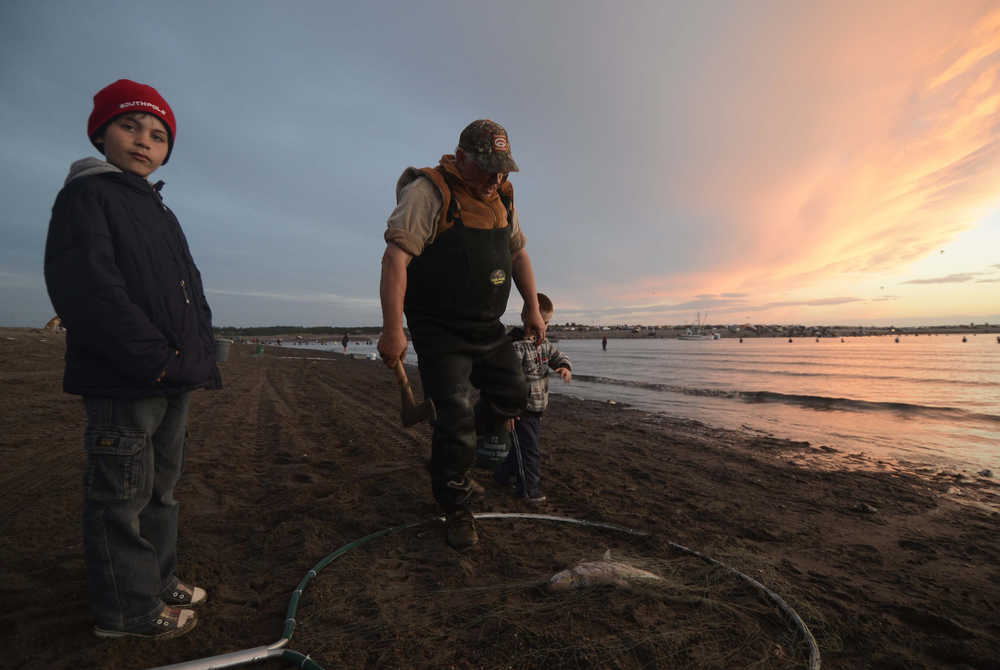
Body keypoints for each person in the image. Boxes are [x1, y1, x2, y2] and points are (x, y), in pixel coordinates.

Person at [43, 79, 220, 640]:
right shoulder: (87, 195)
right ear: (101, 132)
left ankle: (157, 578)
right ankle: (126, 610)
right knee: (120, 495)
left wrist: (200, 354)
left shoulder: (156, 205)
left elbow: (188, 289)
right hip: (126, 378)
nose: (144, 140)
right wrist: (155, 359)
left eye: (158, 134)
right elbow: (88, 289)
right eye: (130, 126)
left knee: (161, 490)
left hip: (172, 375)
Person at [378, 119, 545, 549]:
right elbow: (395, 259)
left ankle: (460, 435)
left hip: (486, 327)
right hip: (439, 330)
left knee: (516, 394)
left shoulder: (503, 195)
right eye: (488, 167)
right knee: (455, 418)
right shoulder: (429, 193)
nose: (496, 178)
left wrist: (530, 305)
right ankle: (455, 505)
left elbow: (518, 251)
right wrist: (393, 329)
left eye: (503, 168)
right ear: (462, 156)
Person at [493, 293, 571, 502]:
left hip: (537, 407)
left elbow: (557, 356)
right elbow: (506, 382)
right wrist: (507, 412)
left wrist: (564, 367)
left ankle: (501, 476)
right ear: (526, 317)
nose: (543, 327)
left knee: (519, 446)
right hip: (519, 410)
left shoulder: (543, 343)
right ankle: (528, 490)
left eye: (546, 323)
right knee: (529, 450)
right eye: (540, 322)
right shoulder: (513, 346)